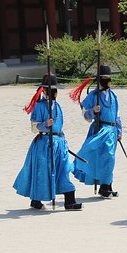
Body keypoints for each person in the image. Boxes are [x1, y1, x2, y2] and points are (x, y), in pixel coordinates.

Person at [13, 73, 82, 210]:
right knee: (43, 172)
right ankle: (36, 200)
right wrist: (45, 124)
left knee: (63, 170)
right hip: (44, 143)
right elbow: (34, 127)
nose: (54, 93)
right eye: (51, 90)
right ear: (44, 91)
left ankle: (70, 201)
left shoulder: (58, 106)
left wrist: (62, 139)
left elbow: (60, 125)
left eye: (55, 90)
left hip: (59, 143)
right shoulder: (39, 107)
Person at [71, 64, 122, 198]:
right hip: (100, 129)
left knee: (110, 158)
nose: (108, 81)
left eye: (109, 78)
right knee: (104, 157)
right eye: (105, 78)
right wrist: (93, 111)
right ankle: (105, 186)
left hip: (112, 130)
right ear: (100, 79)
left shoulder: (113, 96)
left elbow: (117, 115)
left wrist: (119, 131)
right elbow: (85, 115)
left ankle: (107, 185)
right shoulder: (93, 96)